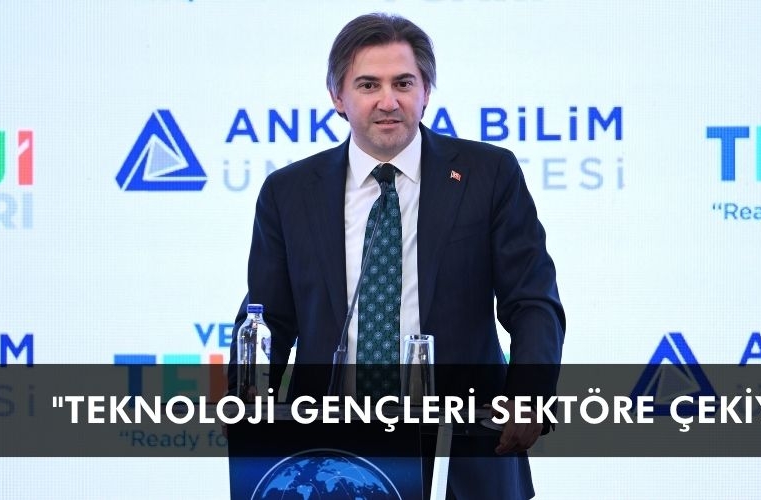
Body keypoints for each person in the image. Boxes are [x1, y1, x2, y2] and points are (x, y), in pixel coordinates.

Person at [231, 12, 565, 499]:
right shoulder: (289, 192)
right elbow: (268, 318)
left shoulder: (488, 174)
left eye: (403, 83)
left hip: (461, 450)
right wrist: (245, 401)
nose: (388, 101)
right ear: (337, 97)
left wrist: (529, 395)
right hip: (330, 459)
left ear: (426, 91)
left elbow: (532, 300)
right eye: (368, 84)